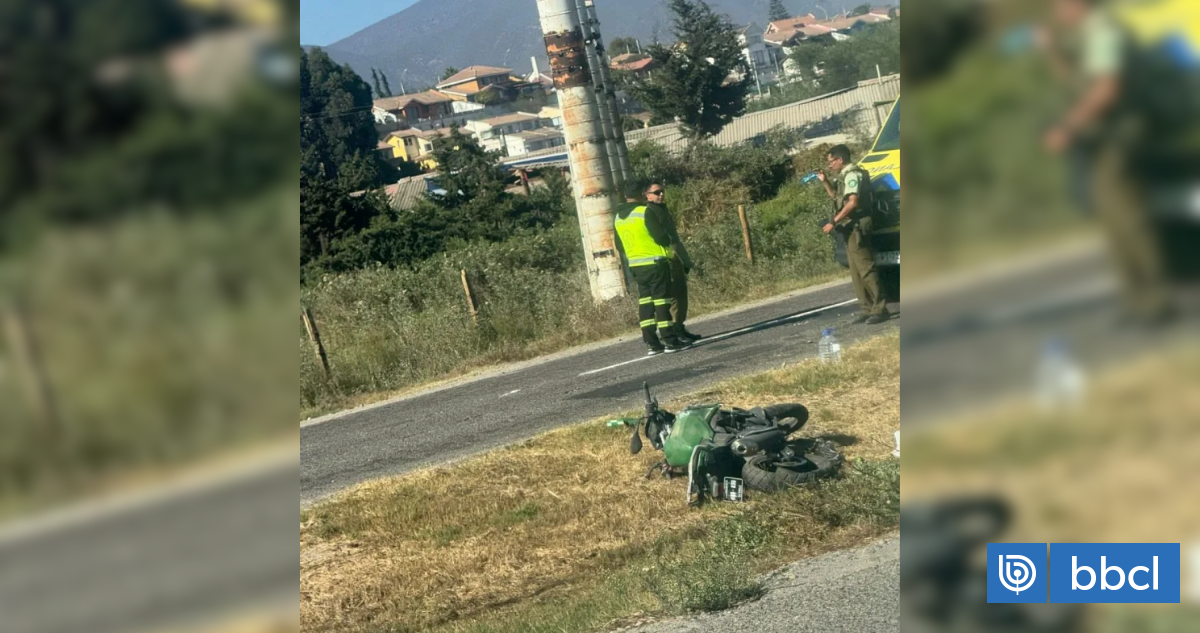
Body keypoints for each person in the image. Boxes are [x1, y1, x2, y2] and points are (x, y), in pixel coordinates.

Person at [1040, 0, 1173, 324]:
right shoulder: (1085, 35)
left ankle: (1156, 300)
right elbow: (1074, 86)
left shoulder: (1103, 32)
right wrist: (1051, 52)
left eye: (1059, 5)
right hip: (1103, 135)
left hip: (1123, 133)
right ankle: (1135, 300)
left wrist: (1068, 128)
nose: (1056, 12)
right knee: (1111, 216)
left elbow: (1106, 90)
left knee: (1127, 217)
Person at [613, 181, 692, 355]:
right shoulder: (644, 212)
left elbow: (619, 245)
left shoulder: (618, 217)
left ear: (625, 196)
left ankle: (652, 343)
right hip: (656, 263)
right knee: (662, 302)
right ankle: (670, 341)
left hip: (636, 266)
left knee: (645, 303)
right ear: (642, 194)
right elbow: (660, 237)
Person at [819, 145, 889, 324]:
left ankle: (880, 309)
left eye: (831, 162)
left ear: (840, 159)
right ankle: (866, 308)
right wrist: (825, 182)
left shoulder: (852, 175)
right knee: (856, 271)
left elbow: (852, 202)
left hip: (857, 224)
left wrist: (833, 221)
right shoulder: (844, 176)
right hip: (849, 226)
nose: (829, 165)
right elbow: (837, 198)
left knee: (865, 268)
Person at [644, 182, 701, 343]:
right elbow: (661, 238)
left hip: (676, 255)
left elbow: (674, 238)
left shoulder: (663, 209)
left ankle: (679, 326)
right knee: (674, 295)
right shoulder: (649, 212)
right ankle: (674, 330)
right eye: (657, 192)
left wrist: (686, 260)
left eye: (662, 191)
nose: (661, 194)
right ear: (647, 195)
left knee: (681, 293)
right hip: (666, 258)